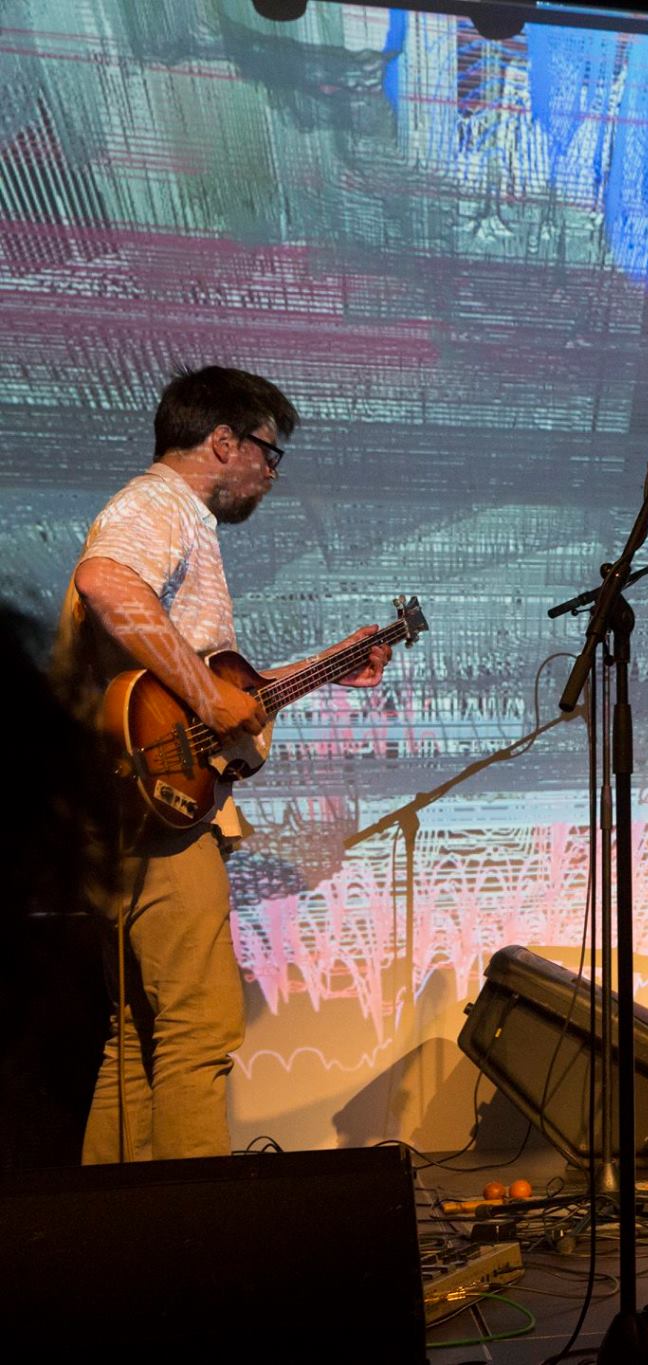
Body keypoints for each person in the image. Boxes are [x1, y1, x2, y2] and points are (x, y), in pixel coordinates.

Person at [55, 366, 393, 1163]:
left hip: (126, 801)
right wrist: (209, 697)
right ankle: (193, 1233)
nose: (271, 475)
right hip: (159, 812)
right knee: (198, 1029)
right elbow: (104, 581)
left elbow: (223, 690)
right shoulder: (162, 504)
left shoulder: (171, 517)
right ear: (222, 441)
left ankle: (113, 1230)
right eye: (269, 454)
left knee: (136, 1043)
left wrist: (324, 666)